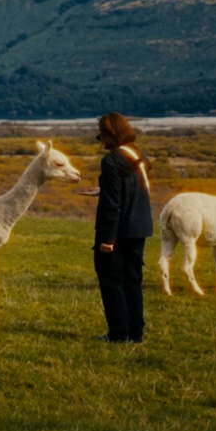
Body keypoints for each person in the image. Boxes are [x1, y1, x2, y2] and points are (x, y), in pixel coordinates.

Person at [79, 112, 152, 343]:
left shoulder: (111, 160)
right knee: (132, 281)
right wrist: (104, 189)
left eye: (101, 134)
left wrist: (107, 240)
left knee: (111, 282)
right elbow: (131, 185)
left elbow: (113, 205)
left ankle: (119, 334)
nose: (100, 139)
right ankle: (135, 333)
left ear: (109, 134)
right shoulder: (137, 154)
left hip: (118, 230)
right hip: (140, 227)